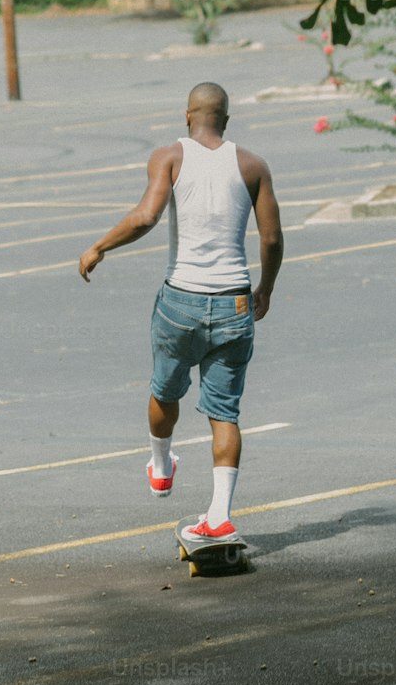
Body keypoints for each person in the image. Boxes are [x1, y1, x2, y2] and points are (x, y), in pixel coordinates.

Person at [78, 82, 283, 543]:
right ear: (226, 120)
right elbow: (270, 239)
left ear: (186, 116)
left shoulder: (169, 156)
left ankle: (161, 464)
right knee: (224, 413)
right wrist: (264, 289)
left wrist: (99, 246)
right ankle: (219, 516)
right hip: (234, 302)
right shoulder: (251, 165)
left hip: (180, 301)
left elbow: (146, 216)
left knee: (164, 390)